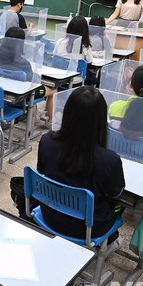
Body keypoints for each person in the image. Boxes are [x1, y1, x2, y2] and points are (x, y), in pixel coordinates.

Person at [37, 86, 125, 241]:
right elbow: (115, 193)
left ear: (68, 113)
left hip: (50, 215)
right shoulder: (109, 159)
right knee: (121, 206)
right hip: (88, 229)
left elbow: (42, 171)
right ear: (101, 119)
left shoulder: (46, 141)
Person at [0, 27, 55, 122]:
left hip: (4, 93)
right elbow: (32, 83)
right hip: (23, 96)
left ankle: (35, 113)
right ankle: (51, 122)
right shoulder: (23, 63)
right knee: (53, 90)